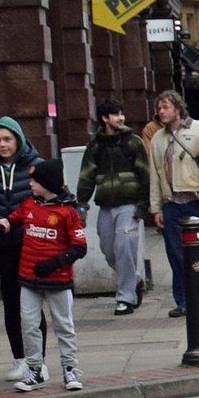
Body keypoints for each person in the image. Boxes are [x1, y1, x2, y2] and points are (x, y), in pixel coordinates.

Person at [6, 158, 87, 392]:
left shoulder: (67, 212)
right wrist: (2, 226)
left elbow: (79, 247)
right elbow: (12, 219)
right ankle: (35, 370)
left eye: (35, 180)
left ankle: (70, 369)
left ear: (48, 183)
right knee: (29, 325)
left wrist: (55, 263)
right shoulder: (28, 205)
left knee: (63, 325)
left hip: (58, 280)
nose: (30, 184)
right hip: (29, 278)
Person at [147, 91, 199, 317]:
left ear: (177, 109)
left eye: (165, 107)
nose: (161, 112)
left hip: (196, 200)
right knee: (176, 253)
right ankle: (182, 300)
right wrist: (156, 207)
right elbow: (155, 174)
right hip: (171, 203)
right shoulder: (157, 139)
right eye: (159, 108)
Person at [74, 100, 152, 315]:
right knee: (109, 251)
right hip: (106, 206)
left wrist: (143, 207)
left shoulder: (133, 142)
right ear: (104, 118)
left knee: (124, 247)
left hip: (129, 205)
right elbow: (86, 176)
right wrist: (82, 204)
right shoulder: (95, 146)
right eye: (115, 115)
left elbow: (145, 176)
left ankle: (125, 298)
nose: (121, 118)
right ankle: (134, 279)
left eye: (121, 114)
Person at [0, 114, 38, 362]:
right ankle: (19, 359)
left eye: (7, 139)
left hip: (30, 243)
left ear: (18, 139)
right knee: (11, 303)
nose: (2, 144)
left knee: (31, 304)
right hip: (2, 245)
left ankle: (37, 360)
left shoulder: (35, 166)